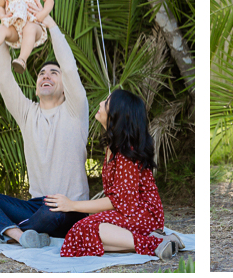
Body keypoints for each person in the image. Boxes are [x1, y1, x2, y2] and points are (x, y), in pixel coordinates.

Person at [0, 15, 89, 250]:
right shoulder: (27, 114)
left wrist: (51, 24)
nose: (46, 76)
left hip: (70, 208)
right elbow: (3, 79)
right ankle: (20, 236)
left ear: (65, 86)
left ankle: (6, 234)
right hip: (36, 206)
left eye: (54, 73)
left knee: (51, 214)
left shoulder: (76, 111)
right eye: (42, 73)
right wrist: (5, 34)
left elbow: (70, 69)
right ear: (36, 86)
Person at [52, 89, 180, 261]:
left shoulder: (127, 153)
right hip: (129, 211)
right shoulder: (113, 148)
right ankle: (156, 240)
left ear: (117, 115)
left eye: (106, 103)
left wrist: (72, 205)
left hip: (143, 213)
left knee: (83, 230)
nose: (99, 104)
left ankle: (154, 244)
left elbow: (121, 202)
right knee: (80, 236)